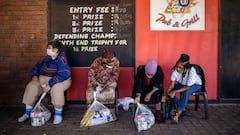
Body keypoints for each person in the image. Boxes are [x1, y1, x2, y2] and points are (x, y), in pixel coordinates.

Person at [18, 40, 71, 124]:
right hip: (43, 79)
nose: (48, 50)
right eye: (48, 48)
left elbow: (63, 74)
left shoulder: (62, 59)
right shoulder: (46, 58)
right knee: (32, 86)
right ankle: (28, 113)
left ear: (56, 49)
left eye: (49, 48)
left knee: (57, 89)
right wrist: (34, 76)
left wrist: (50, 84)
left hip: (60, 80)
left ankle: (58, 115)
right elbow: (36, 67)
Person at [167, 53, 202, 123]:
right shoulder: (174, 70)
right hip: (183, 84)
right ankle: (182, 106)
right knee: (169, 92)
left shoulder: (191, 70)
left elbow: (188, 87)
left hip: (195, 85)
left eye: (180, 68)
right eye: (177, 66)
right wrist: (167, 93)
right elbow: (172, 85)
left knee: (185, 93)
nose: (177, 69)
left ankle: (177, 115)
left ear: (185, 68)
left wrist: (175, 92)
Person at [132, 60, 164, 124]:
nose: (149, 76)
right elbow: (138, 84)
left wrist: (149, 94)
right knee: (137, 93)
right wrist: (138, 96)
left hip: (154, 88)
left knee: (158, 92)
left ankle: (158, 112)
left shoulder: (159, 71)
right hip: (143, 87)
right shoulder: (141, 70)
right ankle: (141, 112)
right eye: (148, 74)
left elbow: (158, 84)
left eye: (152, 75)